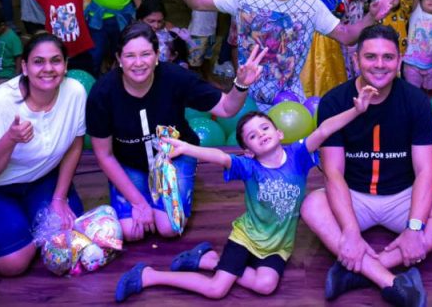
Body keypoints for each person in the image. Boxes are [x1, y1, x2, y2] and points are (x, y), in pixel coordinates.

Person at [114, 85, 379, 301]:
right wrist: (186, 148)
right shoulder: (249, 166)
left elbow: (324, 129)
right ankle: (149, 275)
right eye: (252, 136)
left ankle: (208, 260)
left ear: (279, 132)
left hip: (279, 246)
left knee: (266, 285)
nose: (261, 135)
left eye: (264, 128)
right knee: (217, 289)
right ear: (248, 151)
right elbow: (219, 156)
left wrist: (356, 110)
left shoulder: (298, 155)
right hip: (246, 238)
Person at [300, 26, 432, 307]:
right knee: (311, 206)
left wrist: (414, 228)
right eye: (371, 57)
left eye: (388, 57)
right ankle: (388, 280)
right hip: (354, 198)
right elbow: (333, 173)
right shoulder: (334, 101)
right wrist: (350, 231)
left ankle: (357, 270)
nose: (380, 64)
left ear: (399, 61)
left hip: (402, 197)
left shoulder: (415, 101)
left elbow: (426, 171)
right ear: (356, 60)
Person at [156, 0, 402, 108]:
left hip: (288, 101)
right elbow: (196, 0)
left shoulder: (311, 6)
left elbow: (347, 36)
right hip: (245, 97)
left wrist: (371, 16)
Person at [87, 23, 267, 242]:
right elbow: (104, 155)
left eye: (146, 54)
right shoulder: (102, 93)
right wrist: (139, 203)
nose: (138, 63)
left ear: (156, 56)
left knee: (169, 227)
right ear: (119, 59)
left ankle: (171, 187)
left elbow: (226, 109)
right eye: (130, 56)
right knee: (131, 231)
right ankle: (143, 193)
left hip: (174, 157)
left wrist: (241, 85)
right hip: (129, 163)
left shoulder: (175, 77)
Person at [0, 33, 87, 276]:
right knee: (14, 263)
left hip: (40, 179)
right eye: (38, 62)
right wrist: (10, 139)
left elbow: (75, 145)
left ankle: (21, 221)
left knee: (70, 235)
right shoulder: (0, 102)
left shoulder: (75, 92)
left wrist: (59, 198)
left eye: (56, 61)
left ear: (66, 65)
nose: (48, 68)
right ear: (24, 67)